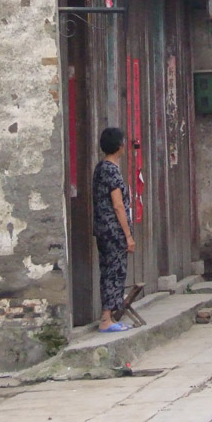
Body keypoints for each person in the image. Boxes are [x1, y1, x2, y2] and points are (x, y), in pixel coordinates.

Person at [92, 127, 136, 332]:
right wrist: (128, 235)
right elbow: (118, 205)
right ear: (120, 146)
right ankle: (106, 318)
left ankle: (109, 316)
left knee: (107, 270)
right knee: (115, 271)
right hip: (114, 230)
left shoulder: (100, 168)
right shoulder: (111, 171)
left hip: (102, 229)